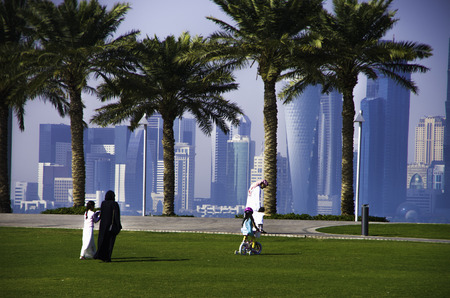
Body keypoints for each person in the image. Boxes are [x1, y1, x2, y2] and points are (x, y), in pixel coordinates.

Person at [94, 190, 122, 262]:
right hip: (111, 226)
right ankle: (107, 257)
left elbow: (101, 214)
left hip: (103, 226)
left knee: (102, 241)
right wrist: (118, 225)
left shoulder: (103, 203)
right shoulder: (114, 204)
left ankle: (100, 255)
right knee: (110, 242)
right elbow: (116, 216)